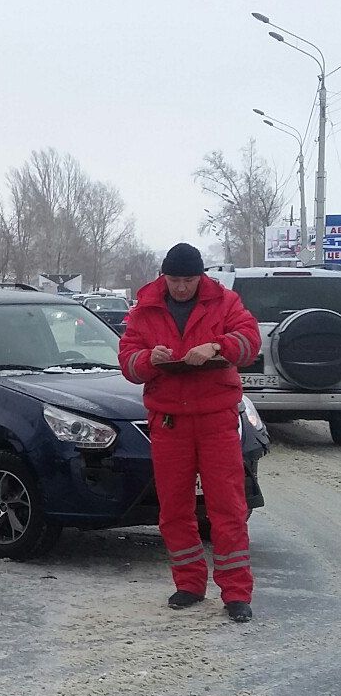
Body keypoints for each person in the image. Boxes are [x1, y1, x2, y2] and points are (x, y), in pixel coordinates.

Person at [118, 243, 261, 623]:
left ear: (200, 277)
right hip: (168, 422)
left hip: (216, 418)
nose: (182, 287)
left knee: (227, 507)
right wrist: (150, 359)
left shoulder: (225, 301)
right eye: (175, 280)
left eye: (189, 280)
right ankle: (189, 583)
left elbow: (249, 342)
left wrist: (217, 346)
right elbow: (128, 361)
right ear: (164, 276)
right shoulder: (145, 307)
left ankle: (236, 593)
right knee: (174, 508)